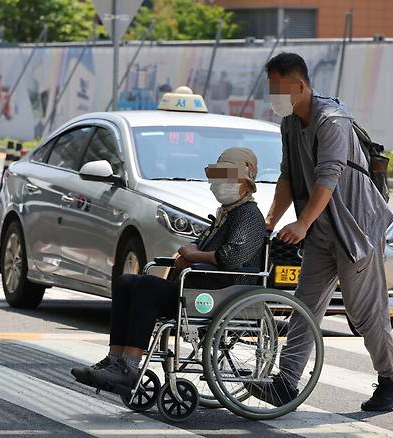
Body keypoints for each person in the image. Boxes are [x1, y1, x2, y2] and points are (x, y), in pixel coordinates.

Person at [260, 52, 393, 411]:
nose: (273, 97)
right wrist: (270, 219)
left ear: (299, 86)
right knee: (305, 304)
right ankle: (286, 382)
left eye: (278, 89)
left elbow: (328, 178)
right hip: (321, 230)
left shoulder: (332, 121)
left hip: (354, 229)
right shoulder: (290, 123)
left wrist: (302, 222)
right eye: (270, 89)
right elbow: (288, 175)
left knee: (363, 312)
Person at [71, 147, 267, 393]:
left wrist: (194, 256)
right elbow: (202, 246)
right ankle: (115, 359)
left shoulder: (249, 215)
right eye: (219, 178)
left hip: (219, 293)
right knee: (125, 282)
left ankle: (129, 368)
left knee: (147, 287)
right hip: (197, 288)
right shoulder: (226, 215)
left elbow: (232, 256)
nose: (220, 185)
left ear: (246, 184)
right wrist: (191, 252)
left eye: (228, 178)